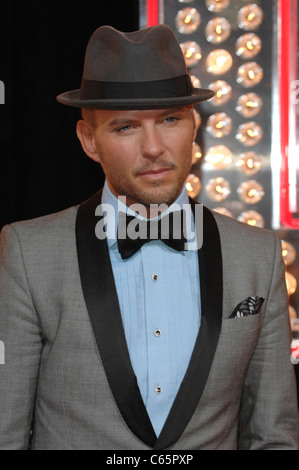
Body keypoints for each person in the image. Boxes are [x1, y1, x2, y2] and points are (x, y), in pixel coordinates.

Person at [0, 24, 298, 451]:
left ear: (194, 127)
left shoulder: (258, 255)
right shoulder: (29, 252)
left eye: (170, 119)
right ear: (89, 140)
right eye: (126, 127)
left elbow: (274, 437)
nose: (154, 147)